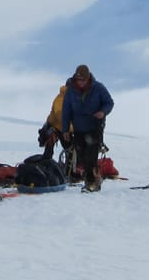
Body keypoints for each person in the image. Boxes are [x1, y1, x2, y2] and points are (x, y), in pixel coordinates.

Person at [62, 64, 114, 192]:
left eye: (83, 80)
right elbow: (66, 110)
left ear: (88, 77)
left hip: (94, 127)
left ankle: (91, 183)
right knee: (82, 156)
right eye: (79, 80)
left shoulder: (98, 88)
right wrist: (65, 129)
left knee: (91, 156)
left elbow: (109, 102)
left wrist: (103, 112)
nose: (81, 83)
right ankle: (92, 178)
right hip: (78, 128)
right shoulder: (70, 90)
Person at [38, 84, 69, 160]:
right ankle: (46, 163)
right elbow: (60, 116)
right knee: (50, 148)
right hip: (55, 127)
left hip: (63, 128)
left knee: (70, 148)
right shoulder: (60, 99)